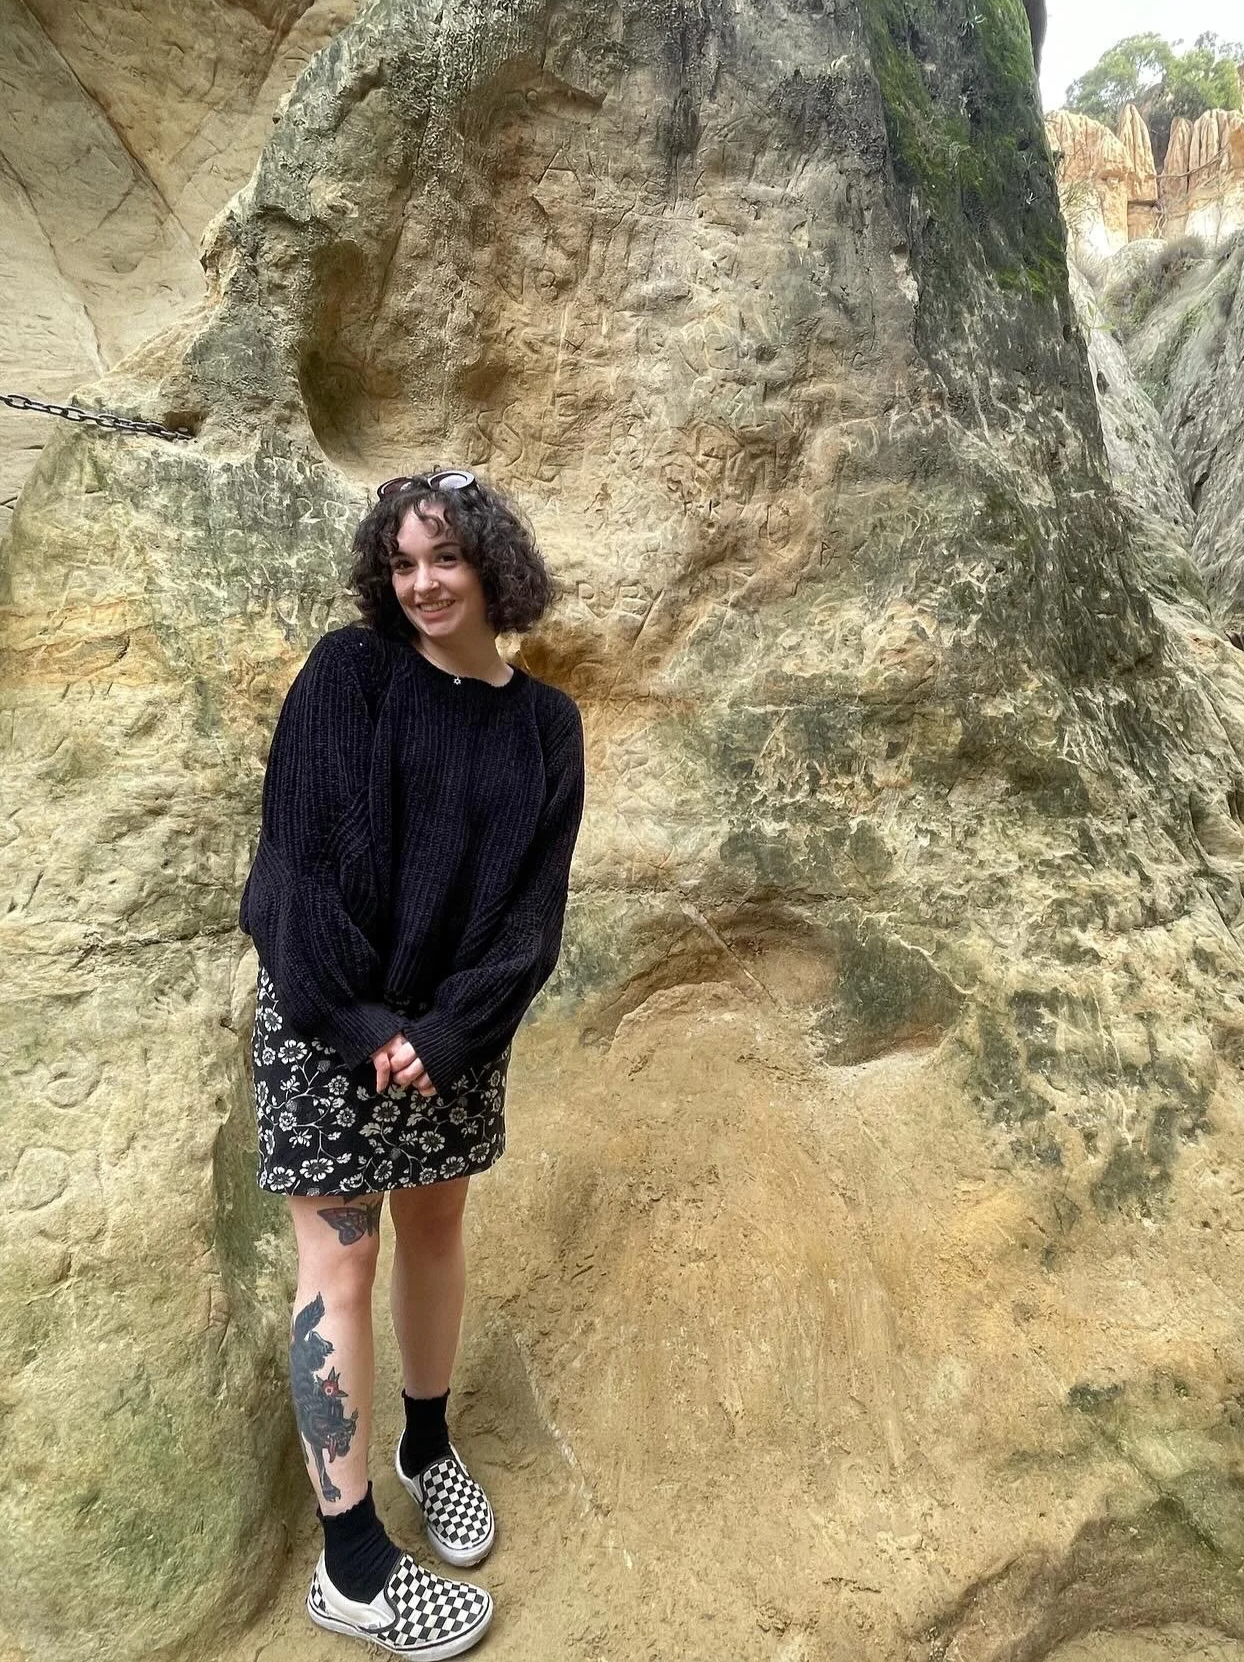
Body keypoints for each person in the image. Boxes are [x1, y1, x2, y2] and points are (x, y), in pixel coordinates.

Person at [239, 468, 585, 1658]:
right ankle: (351, 1565)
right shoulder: (353, 674)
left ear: (492, 566)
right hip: (328, 1027)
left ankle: (427, 1446)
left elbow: (531, 915)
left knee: (435, 1233)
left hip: (454, 1046)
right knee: (341, 1263)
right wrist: (369, 1028)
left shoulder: (547, 725)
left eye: (443, 557)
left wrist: (443, 1036)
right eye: (401, 564)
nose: (423, 583)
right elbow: (297, 868)